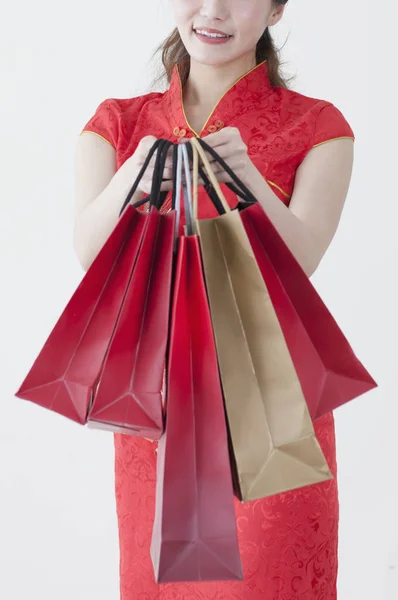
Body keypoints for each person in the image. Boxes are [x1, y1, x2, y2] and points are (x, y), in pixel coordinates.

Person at [74, 1, 354, 598]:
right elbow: (89, 256)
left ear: (278, 8)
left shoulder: (318, 126)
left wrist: (245, 174)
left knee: (268, 578)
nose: (215, 10)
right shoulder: (117, 123)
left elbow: (301, 261)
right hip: (158, 403)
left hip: (273, 402)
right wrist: (139, 173)